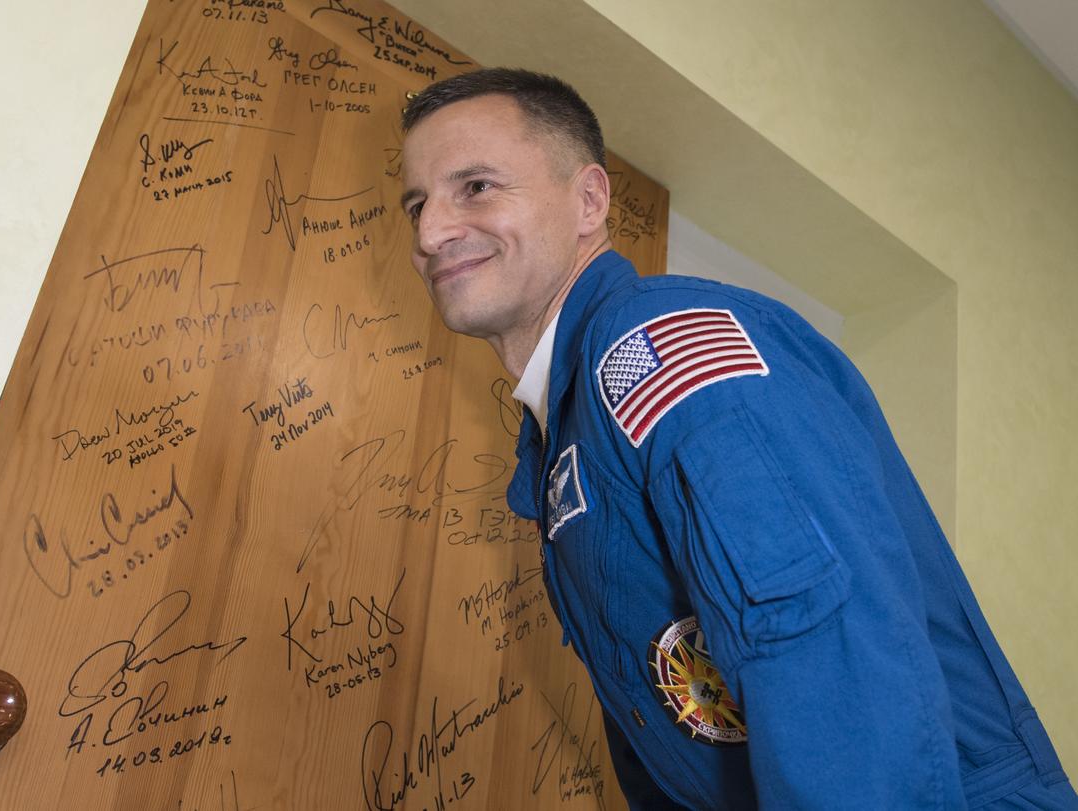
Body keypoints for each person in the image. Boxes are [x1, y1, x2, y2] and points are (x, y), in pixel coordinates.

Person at [399, 68, 1076, 810]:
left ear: (588, 200)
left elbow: (820, 645)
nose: (430, 232)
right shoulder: (564, 435)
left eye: (477, 187)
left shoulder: (651, 346)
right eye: (417, 203)